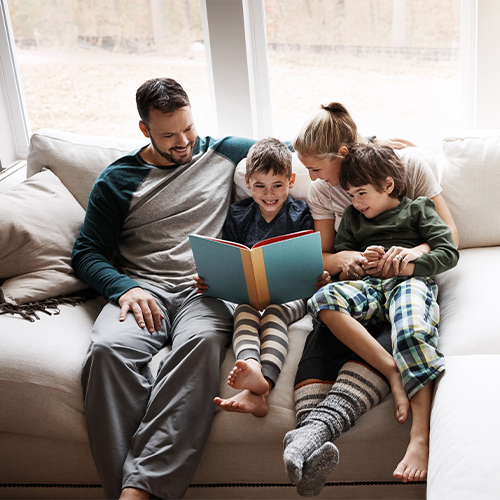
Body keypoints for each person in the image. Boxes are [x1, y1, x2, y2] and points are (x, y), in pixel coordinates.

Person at [72, 77, 258, 500]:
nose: (184, 141)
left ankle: (140, 491)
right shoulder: (117, 180)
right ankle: (128, 491)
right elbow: (86, 253)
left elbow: (296, 148)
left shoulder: (224, 151)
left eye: (188, 128)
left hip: (205, 289)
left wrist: (364, 142)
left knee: (203, 343)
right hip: (143, 289)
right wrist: (123, 289)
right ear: (144, 130)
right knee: (106, 351)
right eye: (169, 135)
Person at [282, 103, 459, 497]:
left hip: (407, 279)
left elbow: (448, 240)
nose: (311, 179)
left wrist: (408, 257)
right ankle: (308, 442)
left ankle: (415, 435)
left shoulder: (408, 178)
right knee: (323, 312)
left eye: (315, 168)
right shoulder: (338, 203)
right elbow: (331, 254)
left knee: (408, 332)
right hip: (366, 285)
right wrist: (349, 262)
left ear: (343, 156)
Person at [194, 137, 315, 418]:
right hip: (249, 295)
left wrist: (316, 277)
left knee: (274, 312)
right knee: (244, 312)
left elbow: (309, 260)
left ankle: (261, 384)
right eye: (259, 185)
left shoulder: (301, 214)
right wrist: (209, 278)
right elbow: (228, 258)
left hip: (291, 294)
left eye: (277, 185)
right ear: (248, 182)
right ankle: (253, 368)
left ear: (291, 180)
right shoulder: (238, 215)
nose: (268, 194)